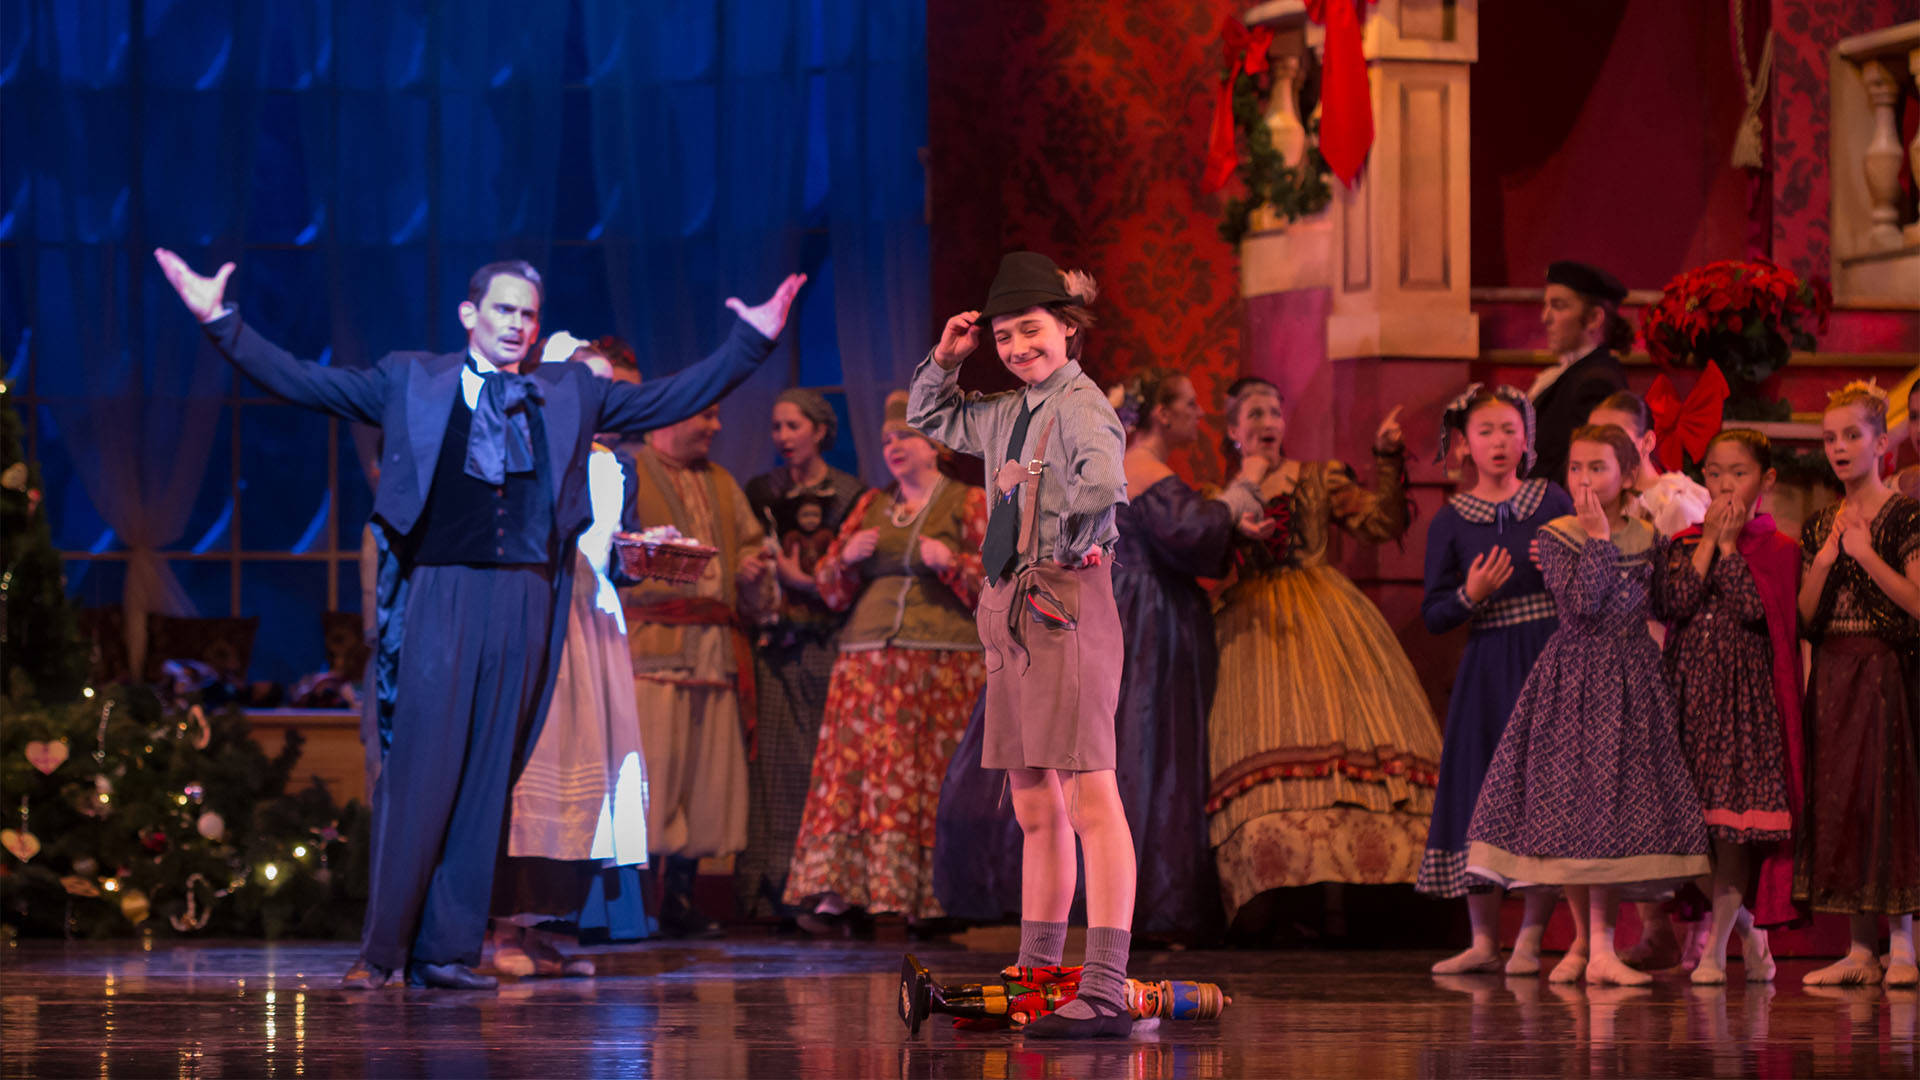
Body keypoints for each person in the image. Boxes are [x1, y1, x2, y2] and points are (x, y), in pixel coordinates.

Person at [152, 249, 803, 990]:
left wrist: (752, 341)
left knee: (491, 778)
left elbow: (666, 399)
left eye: (528, 314)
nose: (517, 325)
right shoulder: (412, 379)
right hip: (443, 592)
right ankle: (382, 953)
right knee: (422, 774)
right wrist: (219, 321)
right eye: (503, 309)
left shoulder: (570, 392)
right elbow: (307, 382)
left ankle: (448, 951)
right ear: (470, 314)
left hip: (528, 602)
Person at [908, 251, 1134, 1039]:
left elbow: (1104, 484)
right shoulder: (1011, 408)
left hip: (1060, 599)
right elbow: (932, 420)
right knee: (1035, 799)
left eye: (1030, 331)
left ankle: (1104, 980)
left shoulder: (1080, 405)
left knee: (1088, 794)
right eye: (1004, 336)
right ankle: (1041, 971)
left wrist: (1040, 502)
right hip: (1010, 607)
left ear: (1068, 330)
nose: (1016, 348)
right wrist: (947, 360)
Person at [1466, 425, 1710, 987]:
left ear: (1627, 475)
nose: (1583, 479)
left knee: (1611, 813)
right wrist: (1598, 538)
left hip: (1632, 678)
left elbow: (1668, 604)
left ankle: (1591, 947)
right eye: (1575, 468)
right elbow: (1581, 604)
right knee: (1578, 810)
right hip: (1575, 679)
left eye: (1597, 468)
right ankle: (1592, 945)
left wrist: (1708, 545)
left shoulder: (1649, 537)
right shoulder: (1559, 535)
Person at [1206, 377, 1440, 925]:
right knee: (1263, 734)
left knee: (1348, 730)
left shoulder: (1316, 478)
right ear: (1234, 431)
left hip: (1325, 610)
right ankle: (1279, 900)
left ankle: (1361, 903)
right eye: (1255, 414)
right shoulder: (1222, 495)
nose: (1267, 422)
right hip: (1251, 626)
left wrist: (1386, 457)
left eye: (1274, 412)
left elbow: (1381, 521)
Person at [782, 392, 987, 927]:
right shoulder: (872, 505)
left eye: (906, 436)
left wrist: (954, 563)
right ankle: (839, 893)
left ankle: (931, 898)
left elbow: (1000, 585)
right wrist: (845, 559)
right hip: (866, 664)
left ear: (935, 444)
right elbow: (829, 587)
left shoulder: (967, 502)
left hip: (939, 665)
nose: (894, 446)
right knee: (852, 779)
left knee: (927, 778)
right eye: (888, 439)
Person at [488, 334, 649, 976]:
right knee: (537, 771)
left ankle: (542, 930)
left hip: (596, 625)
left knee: (590, 772)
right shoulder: (533, 446)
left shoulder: (615, 465)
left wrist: (642, 555)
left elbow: (613, 554)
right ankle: (502, 931)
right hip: (544, 620)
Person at [1418, 384, 1570, 975]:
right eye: (1486, 432)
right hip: (1486, 668)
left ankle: (1530, 938)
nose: (1499, 442)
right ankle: (1484, 941)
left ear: (1526, 437)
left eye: (1509, 429)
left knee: (1544, 794)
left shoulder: (1552, 500)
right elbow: (1434, 614)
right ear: (1465, 445)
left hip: (1548, 661)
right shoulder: (1452, 521)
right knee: (1480, 794)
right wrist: (1469, 595)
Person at [623, 403, 780, 938]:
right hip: (652, 648)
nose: (717, 427)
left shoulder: (719, 481)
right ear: (670, 416)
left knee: (701, 780)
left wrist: (753, 568)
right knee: (652, 780)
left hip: (713, 648)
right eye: (706, 416)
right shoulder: (629, 469)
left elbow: (751, 543)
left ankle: (681, 899)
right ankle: (631, 904)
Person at [1652, 428, 1802, 984]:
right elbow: (1677, 603)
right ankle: (1749, 936)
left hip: (1744, 706)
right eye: (1713, 472)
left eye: (1737, 473)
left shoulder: (1780, 549)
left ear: (1765, 480)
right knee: (1694, 831)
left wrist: (1734, 546)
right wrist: (1710, 543)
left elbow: (1753, 611)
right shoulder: (1684, 544)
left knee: (1732, 828)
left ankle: (1716, 950)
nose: (1723, 485)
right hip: (1691, 698)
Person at [1796, 382, 1920, 988]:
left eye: (1852, 435)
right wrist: (1824, 561)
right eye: (1830, 438)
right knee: (1842, 797)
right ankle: (1859, 949)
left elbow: (1919, 604)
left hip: (1886, 671)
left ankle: (1903, 945)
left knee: (1887, 796)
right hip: (1835, 672)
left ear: (1880, 442)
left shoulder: (1906, 515)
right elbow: (1804, 617)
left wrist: (1867, 555)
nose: (1839, 448)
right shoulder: (1821, 522)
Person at [1585, 388, 1713, 970]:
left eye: (1616, 439)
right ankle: (1655, 928)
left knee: (1685, 790)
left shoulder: (1676, 500)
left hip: (1672, 657)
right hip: (1622, 660)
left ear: (1646, 441)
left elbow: (1689, 589)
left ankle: (1709, 931)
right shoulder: (1602, 512)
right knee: (1632, 796)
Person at [734, 389, 866, 921]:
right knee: (777, 772)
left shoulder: (851, 494)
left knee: (823, 770)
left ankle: (824, 890)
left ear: (819, 430)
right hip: (777, 640)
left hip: (827, 641)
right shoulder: (762, 490)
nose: (783, 437)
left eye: (793, 426)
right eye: (776, 427)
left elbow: (853, 576)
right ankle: (772, 889)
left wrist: (803, 580)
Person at [1529, 261, 1631, 486]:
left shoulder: (1597, 382)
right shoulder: (1574, 374)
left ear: (1595, 318)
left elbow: (1578, 471)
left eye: (1559, 306)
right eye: (1546, 305)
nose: (1545, 317)